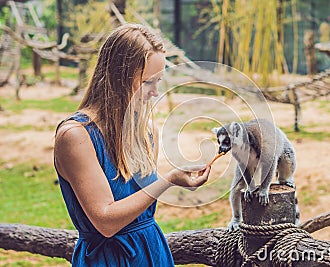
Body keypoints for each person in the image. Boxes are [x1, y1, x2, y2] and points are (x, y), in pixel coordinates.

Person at [53, 24, 211, 266]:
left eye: (159, 81)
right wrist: (168, 180)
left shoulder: (146, 130)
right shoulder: (76, 136)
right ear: (119, 78)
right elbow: (106, 222)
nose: (155, 92)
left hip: (152, 252)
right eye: (148, 82)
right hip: (107, 259)